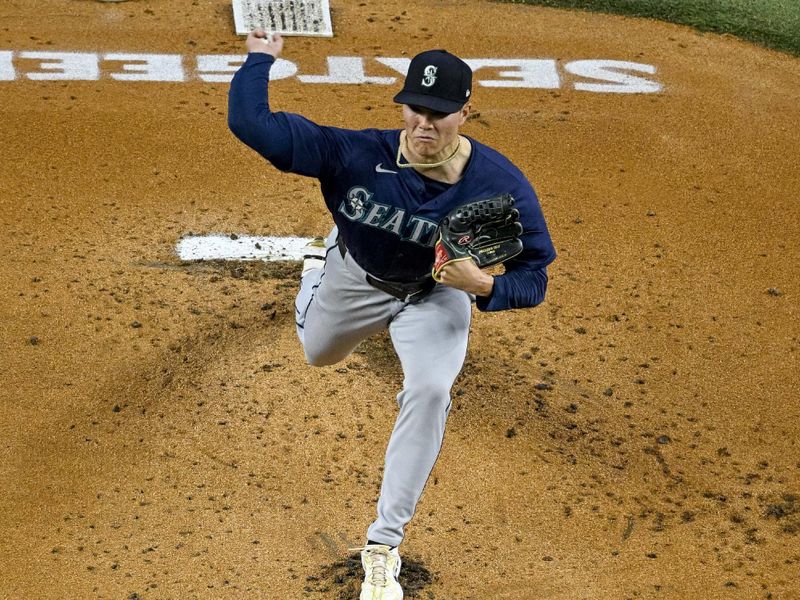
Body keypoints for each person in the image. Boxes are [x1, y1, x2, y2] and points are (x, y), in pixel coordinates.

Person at [228, 30, 556, 600]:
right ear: (402, 105)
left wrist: (484, 286)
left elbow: (535, 278)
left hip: (435, 295)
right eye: (416, 109)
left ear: (464, 113)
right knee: (318, 353)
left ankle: (383, 546)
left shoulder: (501, 188)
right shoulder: (355, 155)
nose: (425, 124)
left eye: (440, 113)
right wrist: (261, 58)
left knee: (430, 390)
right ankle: (317, 264)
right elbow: (251, 125)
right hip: (358, 277)